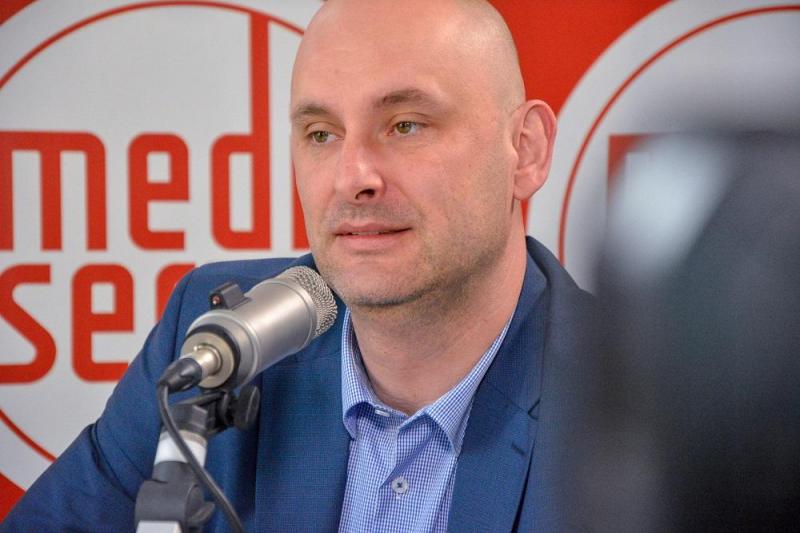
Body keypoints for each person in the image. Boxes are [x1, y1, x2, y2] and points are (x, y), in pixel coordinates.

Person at [2, 0, 594, 531]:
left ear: (527, 150)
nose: (352, 176)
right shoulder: (220, 336)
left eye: (406, 125)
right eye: (321, 134)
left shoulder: (632, 401)